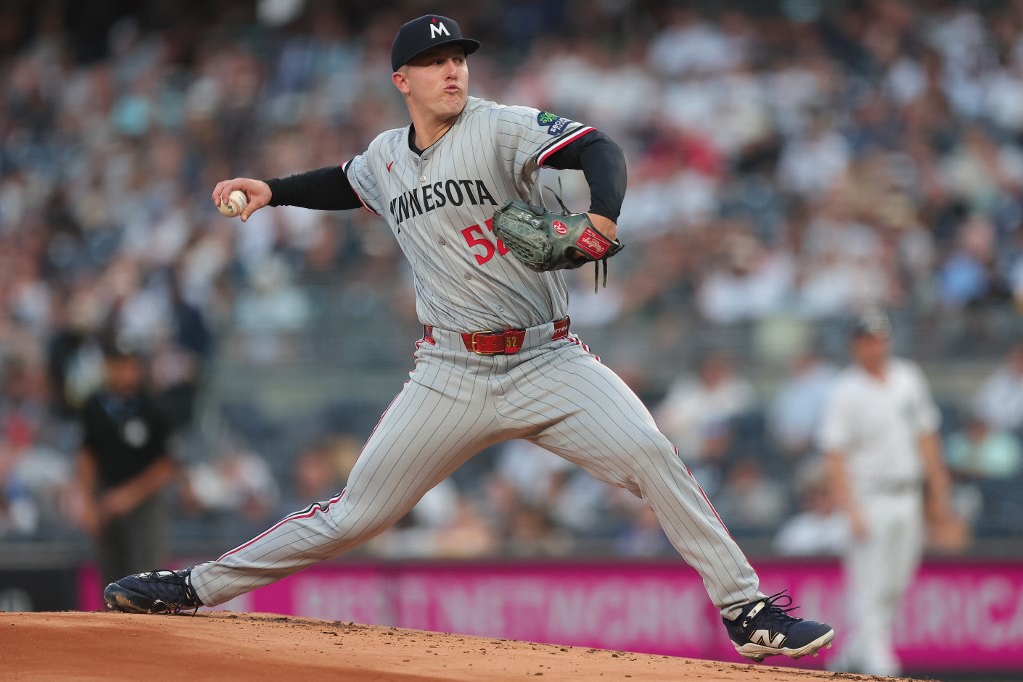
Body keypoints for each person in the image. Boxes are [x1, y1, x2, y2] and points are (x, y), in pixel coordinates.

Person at [102, 14, 834, 663]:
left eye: (459, 57)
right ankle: (191, 586)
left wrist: (603, 215)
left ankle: (747, 611)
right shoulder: (388, 155)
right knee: (356, 514)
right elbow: (347, 182)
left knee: (649, 451)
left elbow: (598, 146)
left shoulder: (499, 125)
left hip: (547, 358)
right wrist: (273, 188)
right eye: (434, 61)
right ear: (403, 80)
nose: (452, 69)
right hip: (449, 370)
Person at [819, 308, 954, 676]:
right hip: (869, 495)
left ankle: (849, 655)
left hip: (908, 494)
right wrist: (851, 509)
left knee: (896, 583)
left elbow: (927, 438)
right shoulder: (846, 389)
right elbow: (834, 456)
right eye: (866, 340)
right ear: (854, 345)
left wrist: (939, 494)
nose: (874, 346)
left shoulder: (908, 378)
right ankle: (883, 665)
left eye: (879, 338)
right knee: (869, 585)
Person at [75, 337, 178, 587]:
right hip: (105, 500)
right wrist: (86, 500)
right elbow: (87, 454)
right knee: (111, 580)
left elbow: (166, 466)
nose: (124, 371)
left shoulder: (153, 407)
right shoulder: (94, 406)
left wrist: (126, 496)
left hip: (143, 506)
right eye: (117, 365)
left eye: (129, 364)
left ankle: (147, 627)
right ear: (107, 367)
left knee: (145, 579)